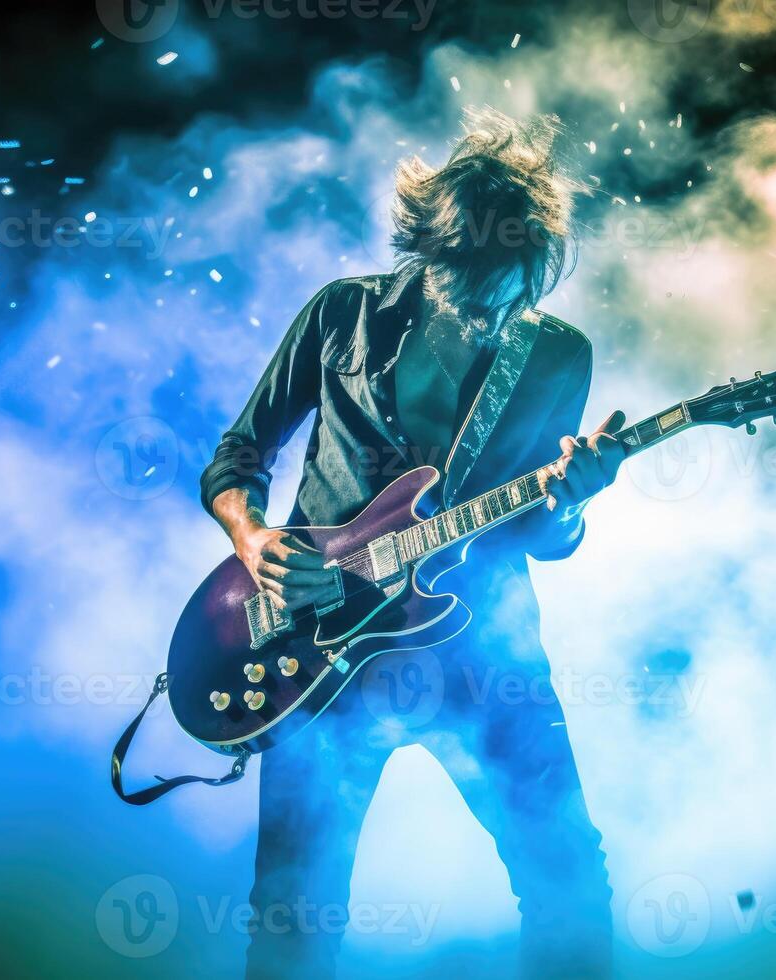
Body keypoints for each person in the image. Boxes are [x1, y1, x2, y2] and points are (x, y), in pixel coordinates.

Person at [201, 108, 621, 978]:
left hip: (485, 654)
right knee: (292, 914)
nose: (492, 315)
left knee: (568, 880)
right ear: (431, 254)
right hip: (320, 654)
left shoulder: (556, 356)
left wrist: (575, 503)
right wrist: (252, 540)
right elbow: (237, 455)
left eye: (515, 291)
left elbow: (545, 534)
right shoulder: (341, 316)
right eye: (475, 290)